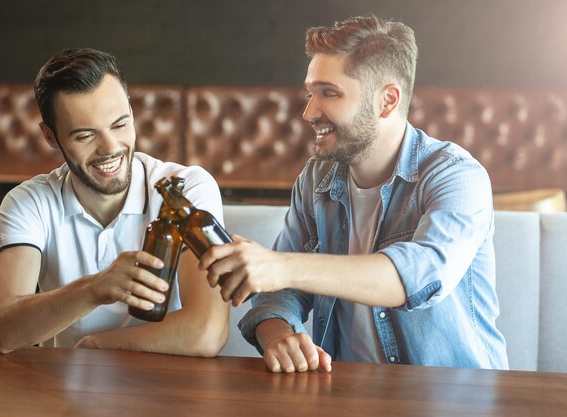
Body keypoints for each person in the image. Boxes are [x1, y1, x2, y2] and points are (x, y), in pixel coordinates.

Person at [198, 16, 509, 372]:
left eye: (329, 93)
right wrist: (279, 336)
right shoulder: (316, 178)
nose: (309, 111)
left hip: (456, 398)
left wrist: (281, 266)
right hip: (347, 395)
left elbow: (420, 276)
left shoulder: (455, 175)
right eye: (310, 93)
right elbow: (279, 293)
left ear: (387, 101)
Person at [0, 48, 229, 355]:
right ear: (50, 137)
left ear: (131, 110)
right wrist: (95, 288)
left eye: (119, 124)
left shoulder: (188, 188)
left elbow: (206, 332)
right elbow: (5, 333)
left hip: (170, 387)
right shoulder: (28, 203)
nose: (111, 148)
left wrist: (97, 346)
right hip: (64, 391)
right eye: (85, 135)